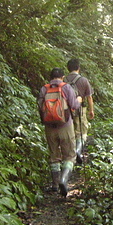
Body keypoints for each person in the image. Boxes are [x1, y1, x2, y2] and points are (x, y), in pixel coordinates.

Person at [37, 67, 81, 196]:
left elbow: (40, 107)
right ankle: (64, 180)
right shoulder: (66, 87)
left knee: (54, 156)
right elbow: (73, 105)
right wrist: (78, 101)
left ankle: (55, 185)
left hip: (49, 127)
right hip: (65, 125)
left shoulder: (44, 89)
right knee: (69, 155)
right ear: (62, 77)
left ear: (50, 77)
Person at [64, 58, 94, 164]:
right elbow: (89, 97)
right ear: (78, 68)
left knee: (69, 131)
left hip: (66, 110)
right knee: (82, 132)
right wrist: (91, 110)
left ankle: (69, 154)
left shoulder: (64, 80)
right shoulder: (84, 80)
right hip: (80, 109)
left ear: (68, 68)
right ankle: (77, 150)